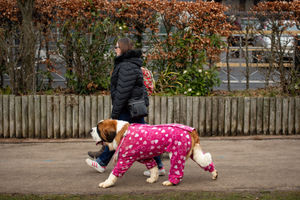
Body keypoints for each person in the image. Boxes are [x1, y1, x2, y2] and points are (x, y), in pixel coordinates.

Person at [86, 37, 165, 176]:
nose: (115, 50)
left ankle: (101, 163)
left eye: (116, 47)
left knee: (115, 134)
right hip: (133, 108)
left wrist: (115, 113)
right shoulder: (129, 64)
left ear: (122, 48)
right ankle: (158, 166)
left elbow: (123, 92)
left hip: (128, 108)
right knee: (145, 137)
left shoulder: (126, 66)